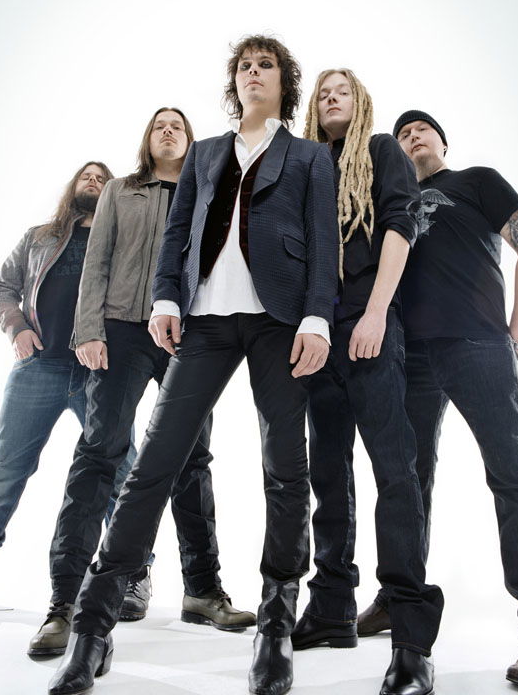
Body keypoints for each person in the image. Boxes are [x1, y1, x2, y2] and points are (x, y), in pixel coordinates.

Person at [46, 35, 338, 695]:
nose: (253, 73)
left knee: (285, 468)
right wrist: (166, 298)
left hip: (280, 322)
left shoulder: (309, 157)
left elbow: (325, 245)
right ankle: (92, 628)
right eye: (245, 66)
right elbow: (178, 233)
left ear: (284, 83)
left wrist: (318, 318)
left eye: (265, 65)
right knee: (154, 462)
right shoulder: (206, 153)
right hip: (204, 321)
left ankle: (275, 625)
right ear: (234, 83)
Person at [357, 109, 518, 692]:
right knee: (405, 480)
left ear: (442, 141)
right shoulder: (391, 198)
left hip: (477, 344)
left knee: (513, 472)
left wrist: (514, 335)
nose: (412, 136)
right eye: (403, 134)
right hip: (406, 355)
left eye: (421, 129)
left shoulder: (477, 181)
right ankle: (398, 598)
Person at [37, 108, 256, 658]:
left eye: (177, 124)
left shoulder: (208, 191)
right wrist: (89, 330)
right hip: (121, 331)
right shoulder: (121, 190)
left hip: (187, 334)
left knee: (193, 459)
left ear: (191, 140)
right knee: (100, 453)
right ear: (147, 138)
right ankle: (64, 603)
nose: (168, 130)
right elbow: (96, 261)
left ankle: (202, 590)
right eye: (159, 124)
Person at [291, 70, 443, 695]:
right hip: (317, 333)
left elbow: (400, 227)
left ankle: (410, 637)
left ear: (361, 102)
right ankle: (331, 607)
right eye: (323, 92)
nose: (332, 98)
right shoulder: (306, 165)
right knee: (327, 473)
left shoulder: (381, 149)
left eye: (342, 91)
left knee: (394, 473)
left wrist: (377, 312)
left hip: (370, 324)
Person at [0, 162, 139, 627]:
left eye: (102, 178)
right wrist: (16, 328)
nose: (94, 182)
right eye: (87, 176)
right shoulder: (39, 237)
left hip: (100, 369)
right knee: (7, 467)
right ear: (74, 186)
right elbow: (2, 287)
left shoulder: (120, 239)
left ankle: (132, 574)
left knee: (121, 470)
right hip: (40, 366)